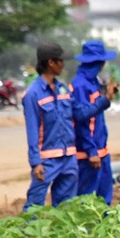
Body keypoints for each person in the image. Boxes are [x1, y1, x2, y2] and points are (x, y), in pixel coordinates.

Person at [22, 42, 78, 211]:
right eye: (60, 60)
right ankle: (28, 236)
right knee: (34, 206)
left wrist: (104, 101)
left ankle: (64, 237)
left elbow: (77, 114)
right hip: (47, 161)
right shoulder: (33, 94)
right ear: (50, 63)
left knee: (67, 209)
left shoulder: (62, 89)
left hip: (68, 157)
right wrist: (35, 162)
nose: (63, 64)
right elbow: (32, 130)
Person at [71, 40, 119, 204]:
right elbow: (81, 119)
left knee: (104, 199)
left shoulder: (93, 82)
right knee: (87, 201)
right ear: (100, 62)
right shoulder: (80, 85)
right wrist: (91, 152)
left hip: (101, 150)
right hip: (89, 155)